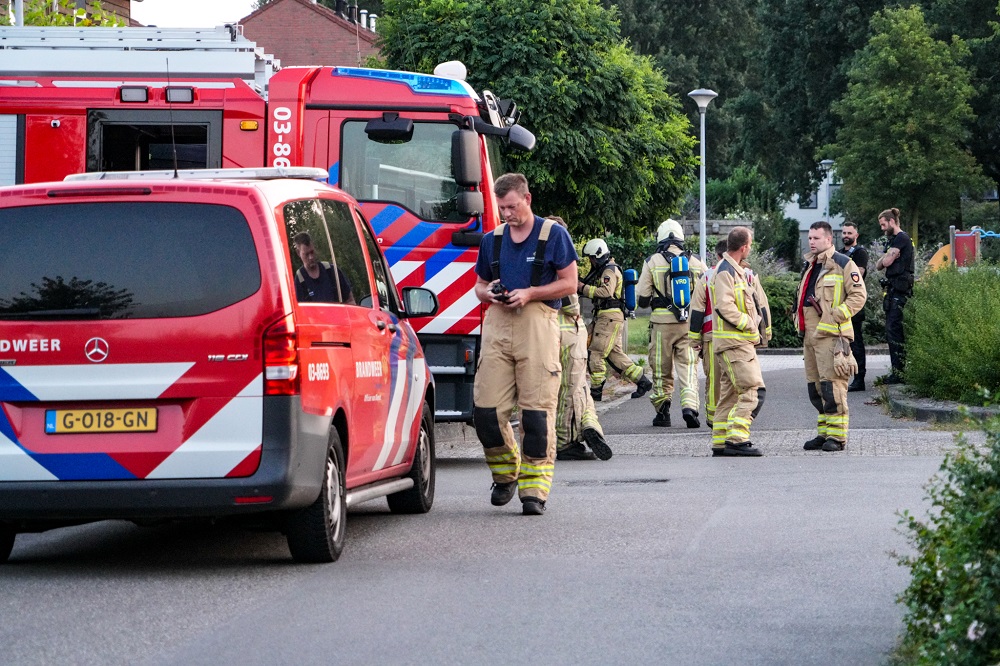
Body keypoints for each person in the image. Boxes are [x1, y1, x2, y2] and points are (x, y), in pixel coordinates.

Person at [473, 173, 578, 516]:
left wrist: (531, 292)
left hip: (539, 325)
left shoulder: (554, 235)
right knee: (486, 412)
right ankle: (505, 474)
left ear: (527, 199)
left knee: (535, 415)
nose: (507, 214)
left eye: (512, 207)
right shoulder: (493, 239)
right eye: (502, 208)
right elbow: (479, 285)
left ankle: (534, 489)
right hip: (498, 324)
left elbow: (570, 283)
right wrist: (488, 293)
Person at [795, 221, 867, 452]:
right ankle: (824, 433)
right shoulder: (809, 265)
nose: (812, 241)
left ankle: (837, 437)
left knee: (832, 387)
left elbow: (858, 295)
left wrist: (837, 315)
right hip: (810, 336)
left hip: (831, 335)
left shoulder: (844, 264)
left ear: (829, 239)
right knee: (815, 389)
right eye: (810, 238)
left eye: (816, 238)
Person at [546, 216, 612, 462]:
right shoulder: (561, 262)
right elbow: (570, 304)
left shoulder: (537, 260)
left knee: (578, 386)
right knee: (571, 388)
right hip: (569, 331)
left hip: (548, 332)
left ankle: (590, 425)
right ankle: (565, 443)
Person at [636, 219, 707, 428]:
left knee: (661, 368)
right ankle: (690, 408)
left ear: (660, 238)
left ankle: (663, 412)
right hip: (689, 325)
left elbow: (642, 297)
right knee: (689, 367)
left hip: (661, 324)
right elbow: (707, 291)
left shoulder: (652, 261)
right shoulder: (696, 261)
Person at [710, 226, 771, 457]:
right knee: (752, 390)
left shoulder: (733, 270)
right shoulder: (726, 271)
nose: (750, 248)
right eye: (750, 244)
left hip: (733, 343)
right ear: (744, 247)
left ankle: (720, 441)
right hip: (735, 343)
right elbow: (724, 307)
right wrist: (749, 323)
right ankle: (737, 439)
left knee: (729, 395)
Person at [579, 239, 653, 402]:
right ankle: (642, 381)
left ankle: (596, 390)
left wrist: (581, 287)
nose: (590, 261)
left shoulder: (609, 271)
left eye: (591, 257)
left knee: (596, 352)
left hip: (609, 318)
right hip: (609, 317)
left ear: (597, 256)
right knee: (614, 355)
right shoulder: (605, 269)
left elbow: (605, 292)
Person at [688, 240, 728, 452]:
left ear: (717, 255)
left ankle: (714, 420)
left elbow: (696, 310)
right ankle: (734, 418)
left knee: (714, 379)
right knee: (734, 378)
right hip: (739, 338)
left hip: (712, 336)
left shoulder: (707, 276)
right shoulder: (747, 274)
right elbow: (760, 307)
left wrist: (695, 340)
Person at [875, 208, 914, 384]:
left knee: (894, 329)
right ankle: (897, 371)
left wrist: (886, 258)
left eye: (884, 224)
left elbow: (887, 262)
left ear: (891, 222)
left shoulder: (901, 238)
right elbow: (878, 266)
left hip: (900, 289)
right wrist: (886, 258)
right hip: (893, 289)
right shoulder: (893, 241)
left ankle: (899, 373)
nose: (883, 228)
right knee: (891, 330)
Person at [840, 221, 870, 392]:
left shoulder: (860, 253)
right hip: (839, 305)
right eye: (844, 233)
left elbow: (858, 274)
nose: (846, 236)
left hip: (854, 305)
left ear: (856, 235)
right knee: (841, 343)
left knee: (855, 343)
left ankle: (860, 379)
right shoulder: (838, 253)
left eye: (849, 233)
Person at [292, 232, 355, 304]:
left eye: (312, 252)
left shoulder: (331, 270)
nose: (311, 257)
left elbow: (350, 300)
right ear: (298, 253)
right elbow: (301, 312)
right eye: (306, 254)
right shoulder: (300, 280)